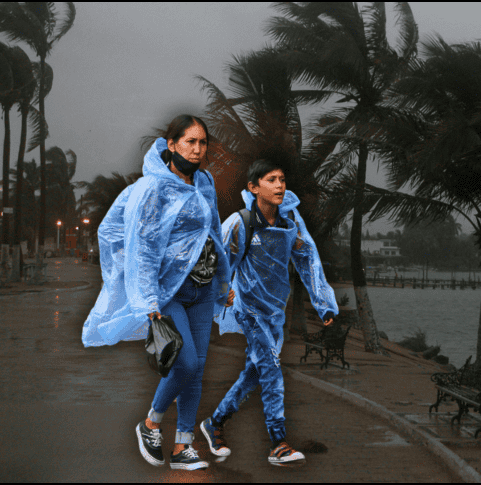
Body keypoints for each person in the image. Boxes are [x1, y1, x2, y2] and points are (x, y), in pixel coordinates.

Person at [81, 115, 234, 470]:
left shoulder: (205, 181)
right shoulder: (154, 188)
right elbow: (144, 248)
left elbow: (212, 234)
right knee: (186, 362)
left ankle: (183, 447)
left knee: (198, 371)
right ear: (171, 144)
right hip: (169, 291)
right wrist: (148, 301)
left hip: (204, 288)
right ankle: (151, 423)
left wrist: (224, 283)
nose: (197, 150)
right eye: (189, 142)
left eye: (202, 142)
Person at [198, 158, 338, 467]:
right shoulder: (242, 222)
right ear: (253, 187)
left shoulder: (290, 223)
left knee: (254, 375)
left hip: (277, 314)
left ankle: (215, 423)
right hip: (250, 311)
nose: (279, 185)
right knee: (271, 370)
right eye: (271, 179)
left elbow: (308, 259)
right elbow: (217, 261)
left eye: (282, 179)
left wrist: (324, 302)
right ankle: (278, 442)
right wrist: (220, 294)